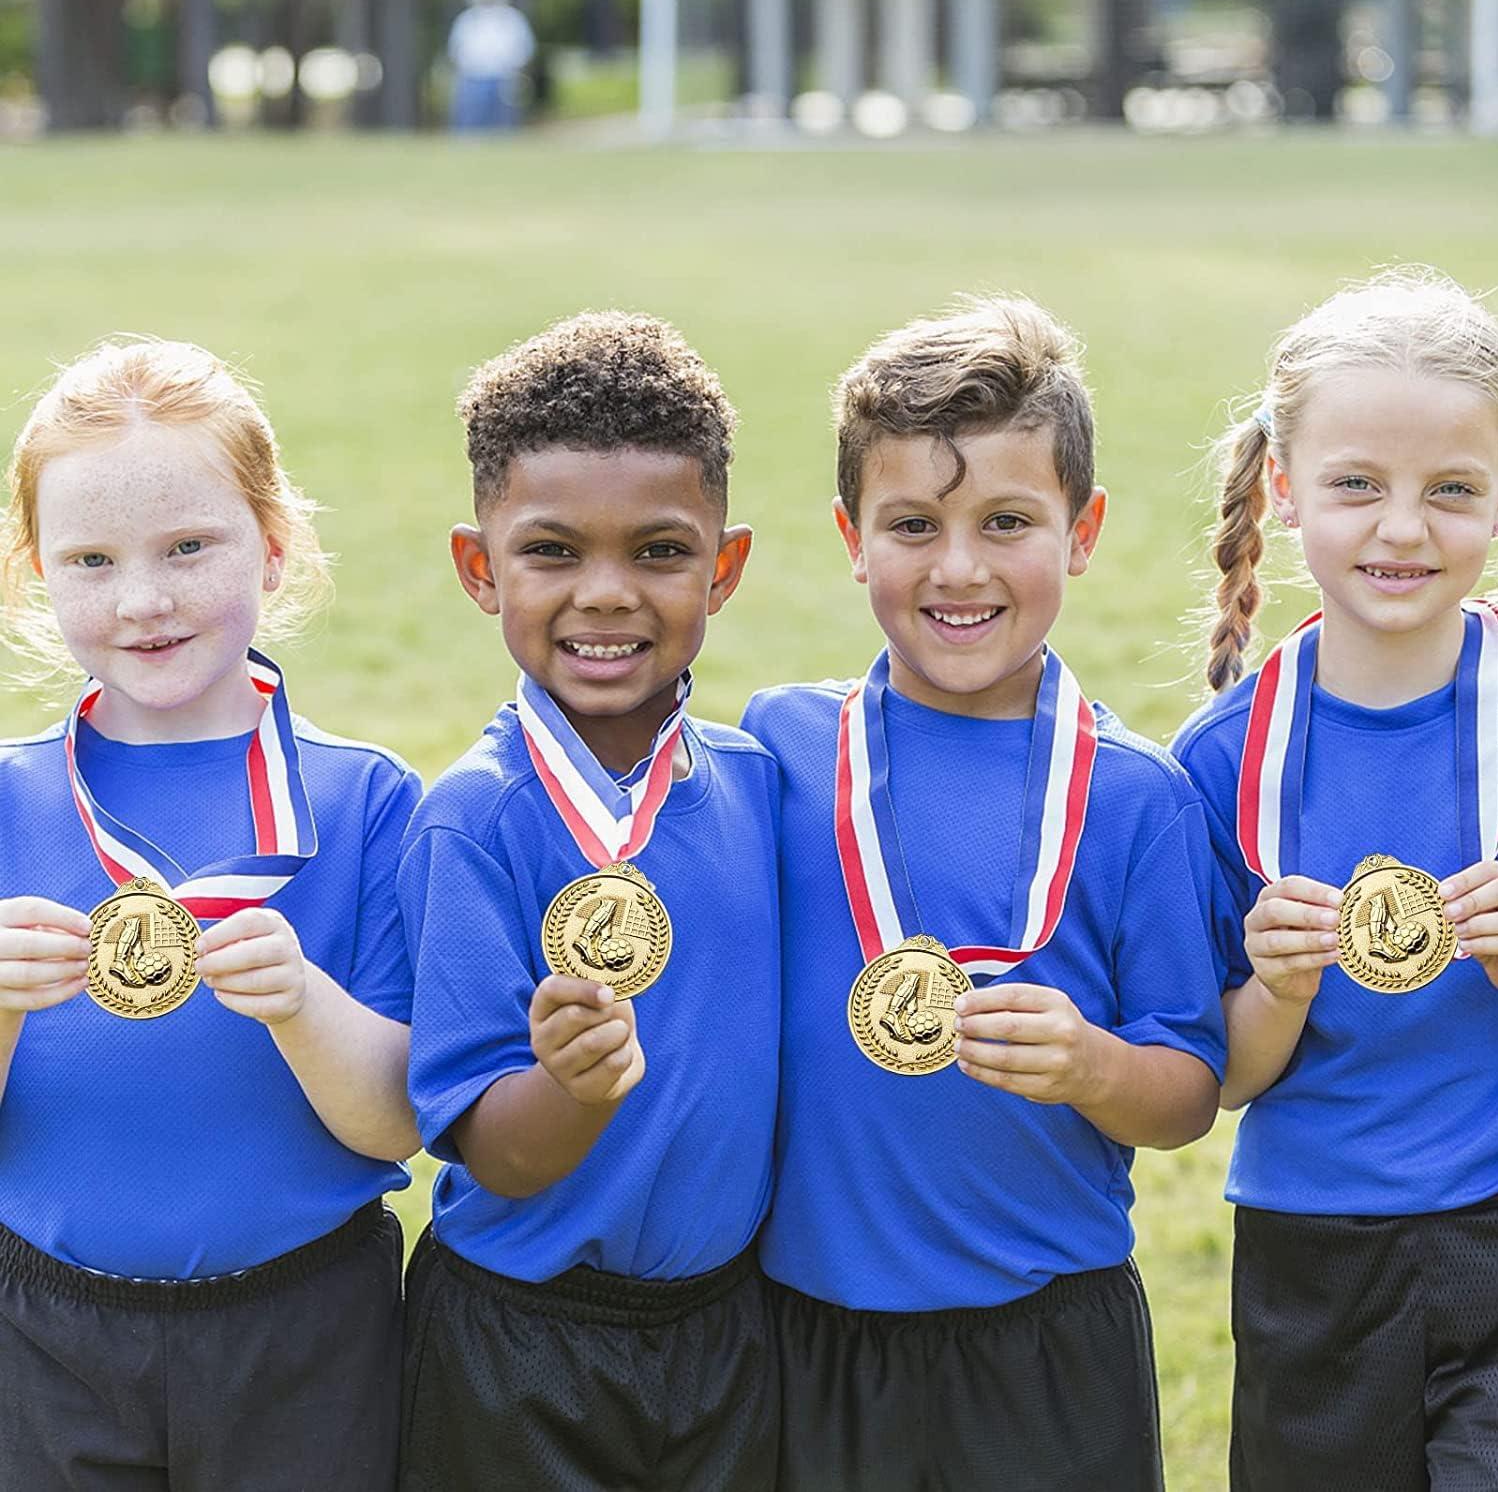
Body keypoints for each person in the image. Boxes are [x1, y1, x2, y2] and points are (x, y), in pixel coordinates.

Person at [740, 296, 1227, 1491]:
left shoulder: (1139, 797)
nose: (959, 568)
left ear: (1084, 529)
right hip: (805, 1334)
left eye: (1007, 521)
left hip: (1047, 1343)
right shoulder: (778, 751)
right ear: (852, 536)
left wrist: (1096, 1068)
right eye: (913, 523)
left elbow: (1188, 1095)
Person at [0, 339, 422, 1490]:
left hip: (308, 1326)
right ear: (40, 572)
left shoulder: (369, 800)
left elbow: (396, 1124)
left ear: (275, 548)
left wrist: (301, 1004)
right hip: (43, 1334)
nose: (143, 599)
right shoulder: (7, 798)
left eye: (189, 546)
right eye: (92, 559)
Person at [398, 311, 779, 1492]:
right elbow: (497, 1155)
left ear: (724, 565)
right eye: (553, 552)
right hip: (518, 1341)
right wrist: (569, 1086)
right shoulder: (470, 819)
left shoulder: (766, 787)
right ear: (480, 568)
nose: (606, 596)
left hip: (732, 1330)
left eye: (661, 553)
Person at [1171, 267, 1498, 1491]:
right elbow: (1223, 1079)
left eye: (1452, 491)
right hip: (1313, 1250)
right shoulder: (1221, 765)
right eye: (1357, 484)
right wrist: (1278, 986)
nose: (1403, 530)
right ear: (1285, 493)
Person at [447, 0, 536, 131]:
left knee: (503, 126)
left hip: (503, 78)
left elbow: (525, 49)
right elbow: (455, 50)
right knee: (471, 125)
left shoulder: (512, 18)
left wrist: (515, 71)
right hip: (472, 79)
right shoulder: (467, 19)